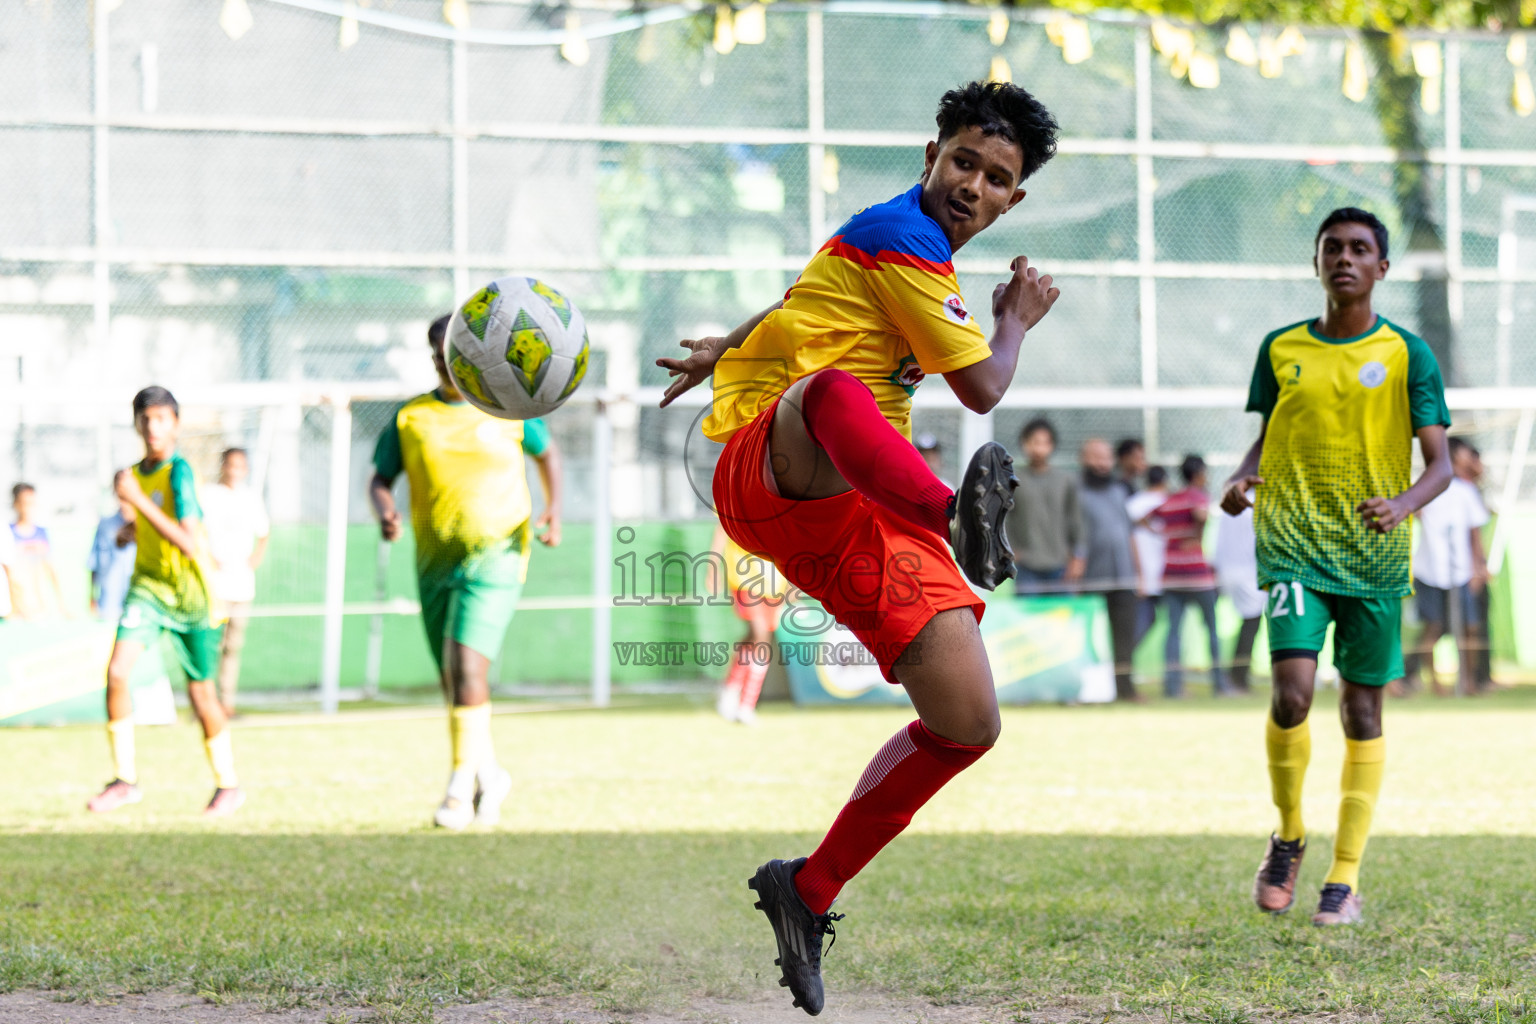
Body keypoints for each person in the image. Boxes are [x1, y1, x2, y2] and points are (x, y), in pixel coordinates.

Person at [657, 81, 1060, 1015]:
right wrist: (1015, 320)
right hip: (774, 463)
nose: (972, 184)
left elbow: (799, 302)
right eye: (962, 160)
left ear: (1013, 200)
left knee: (968, 721)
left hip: (859, 502)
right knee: (834, 390)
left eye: (995, 177)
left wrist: (728, 341)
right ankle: (954, 512)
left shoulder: (889, 250)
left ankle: (807, 890)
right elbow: (985, 391)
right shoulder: (902, 235)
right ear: (932, 156)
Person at [1223, 207, 1451, 927]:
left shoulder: (1410, 354)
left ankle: (1344, 878)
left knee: (1361, 710)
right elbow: (1268, 439)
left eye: (1360, 250)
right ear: (1316, 262)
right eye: (1333, 248)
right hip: (1292, 541)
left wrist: (1405, 503)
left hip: (1375, 555)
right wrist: (1239, 479)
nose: (1344, 259)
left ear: (1382, 268)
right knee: (1291, 693)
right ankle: (1288, 836)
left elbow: (1441, 466)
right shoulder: (1281, 348)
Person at [370, 314, 563, 831]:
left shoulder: (506, 407)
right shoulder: (411, 417)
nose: (444, 365)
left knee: (467, 666)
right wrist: (384, 509)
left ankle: (458, 789)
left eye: (451, 356)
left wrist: (553, 508)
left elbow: (547, 453)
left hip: (498, 557)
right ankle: (490, 773)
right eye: (436, 357)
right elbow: (380, 477)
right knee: (452, 676)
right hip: (434, 563)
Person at [87, 387, 244, 817]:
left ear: (175, 424)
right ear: (137, 424)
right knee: (117, 673)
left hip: (194, 596)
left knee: (201, 698)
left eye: (161, 419)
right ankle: (125, 779)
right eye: (145, 419)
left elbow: (189, 542)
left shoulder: (180, 472)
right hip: (149, 590)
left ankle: (228, 784)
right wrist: (132, 531)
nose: (153, 427)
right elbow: (156, 528)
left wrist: (136, 505)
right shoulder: (135, 474)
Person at [1401, 437, 1489, 697]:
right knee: (1434, 627)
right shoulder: (1425, 488)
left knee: (1470, 627)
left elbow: (1474, 533)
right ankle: (1436, 685)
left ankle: (1468, 682)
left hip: (1461, 571)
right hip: (1429, 571)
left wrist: (1478, 567)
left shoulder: (1466, 490)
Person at [202, 447, 271, 716]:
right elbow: (196, 530)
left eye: (240, 466)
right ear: (222, 466)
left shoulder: (250, 498)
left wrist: (255, 558)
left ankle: (226, 703)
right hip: (213, 584)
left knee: (232, 646)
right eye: (230, 465)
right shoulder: (209, 495)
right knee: (210, 644)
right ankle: (205, 703)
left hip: (241, 585)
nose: (234, 471)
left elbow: (264, 533)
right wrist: (207, 558)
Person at [1155, 456, 1227, 698]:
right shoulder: (1198, 495)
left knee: (1173, 631)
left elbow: (1144, 518)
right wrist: (1197, 535)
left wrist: (1169, 537)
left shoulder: (1171, 499)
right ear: (1198, 473)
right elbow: (1202, 514)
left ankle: (1172, 687)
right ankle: (1219, 684)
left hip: (1171, 574)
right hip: (1196, 574)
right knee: (1212, 629)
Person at [1077, 438, 1142, 702]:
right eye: (1096, 457)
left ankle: (1125, 690)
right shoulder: (1076, 491)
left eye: (1106, 458)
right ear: (1084, 459)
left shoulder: (1119, 490)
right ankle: (1085, 691)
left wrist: (1139, 572)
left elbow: (1130, 534)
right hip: (1089, 577)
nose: (1101, 464)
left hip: (1123, 575)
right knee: (1087, 638)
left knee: (1125, 637)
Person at [711, 521, 789, 726]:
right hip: (744, 576)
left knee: (755, 639)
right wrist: (713, 567)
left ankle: (729, 690)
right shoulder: (734, 491)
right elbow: (721, 529)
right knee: (761, 637)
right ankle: (746, 705)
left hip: (774, 580)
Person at [1007, 417, 1083, 594]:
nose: (1039, 448)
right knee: (1028, 620)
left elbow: (1076, 520)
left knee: (1062, 618)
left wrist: (1078, 557)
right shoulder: (1013, 480)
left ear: (1052, 445)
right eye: (1034, 442)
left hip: (1061, 565)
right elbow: (1005, 519)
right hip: (1026, 565)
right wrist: (1011, 551)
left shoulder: (1066, 480)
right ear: (1024, 444)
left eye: (1044, 442)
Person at [1214, 492, 1265, 693]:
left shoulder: (1229, 501)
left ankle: (1234, 676)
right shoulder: (1258, 502)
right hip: (1249, 573)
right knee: (1250, 625)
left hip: (1227, 570)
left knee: (1246, 624)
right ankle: (1237, 677)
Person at [9, 483, 68, 620]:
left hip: (38, 609)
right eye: (24, 503)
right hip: (15, 612)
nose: (28, 508)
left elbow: (51, 569)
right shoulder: (7, 533)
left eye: (31, 503)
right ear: (16, 503)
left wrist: (61, 604)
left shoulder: (42, 533)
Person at [1127, 465, 1169, 645]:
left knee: (1145, 620)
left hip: (1141, 574)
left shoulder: (1133, 503)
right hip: (1165, 574)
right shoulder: (1169, 502)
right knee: (1145, 621)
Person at [88, 498, 138, 623]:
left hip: (137, 601)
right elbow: (93, 562)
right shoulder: (106, 525)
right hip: (109, 602)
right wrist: (92, 595)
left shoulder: (146, 523)